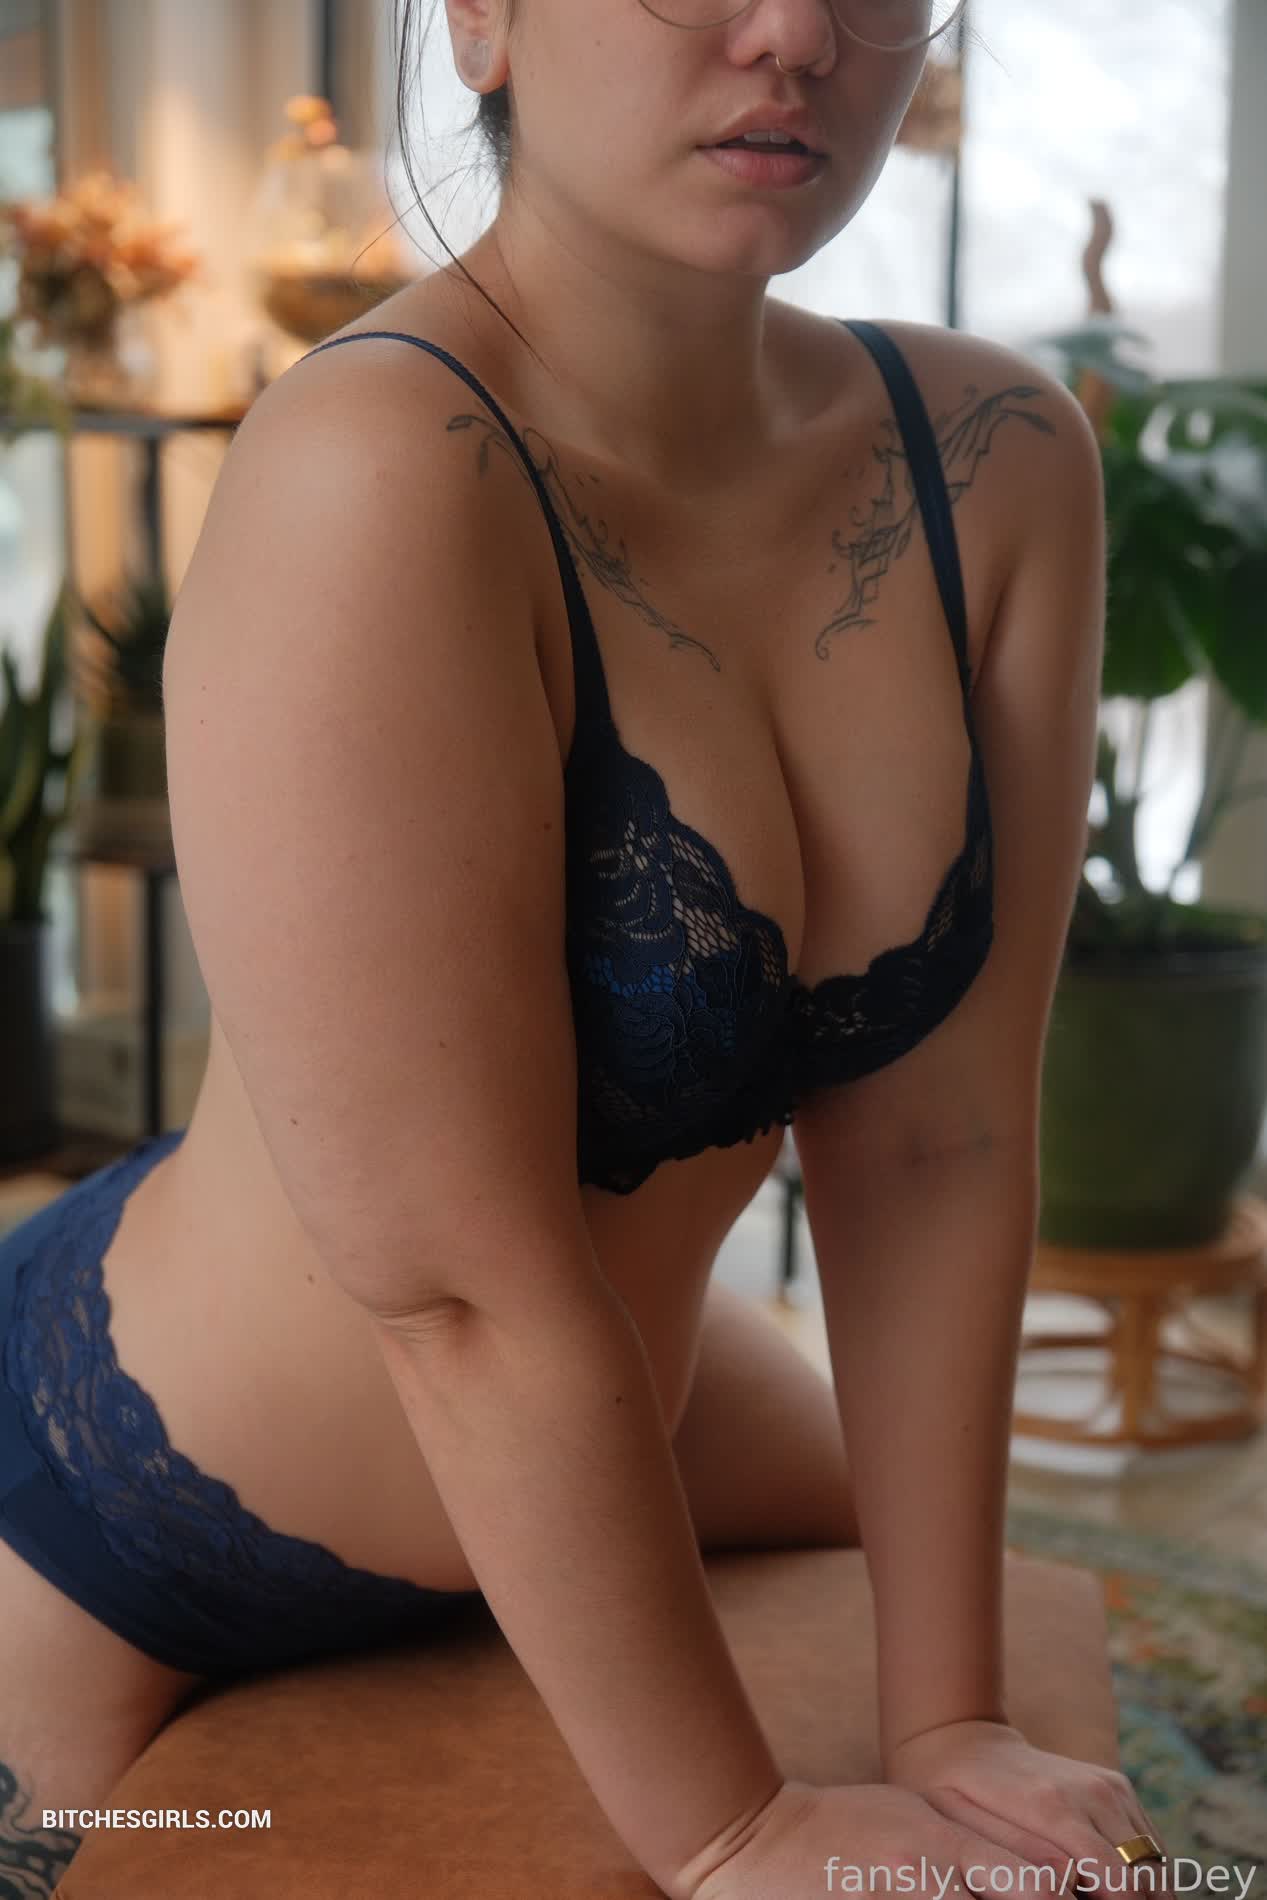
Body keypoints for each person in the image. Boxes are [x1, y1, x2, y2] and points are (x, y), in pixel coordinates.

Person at [0, 2, 1168, 1895]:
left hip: (627, 1396)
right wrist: (735, 1830)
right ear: (482, 19)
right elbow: (455, 1295)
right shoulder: (373, 465)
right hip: (138, 1508)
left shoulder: (996, 459)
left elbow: (936, 1144)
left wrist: (947, 1723)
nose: (792, 32)